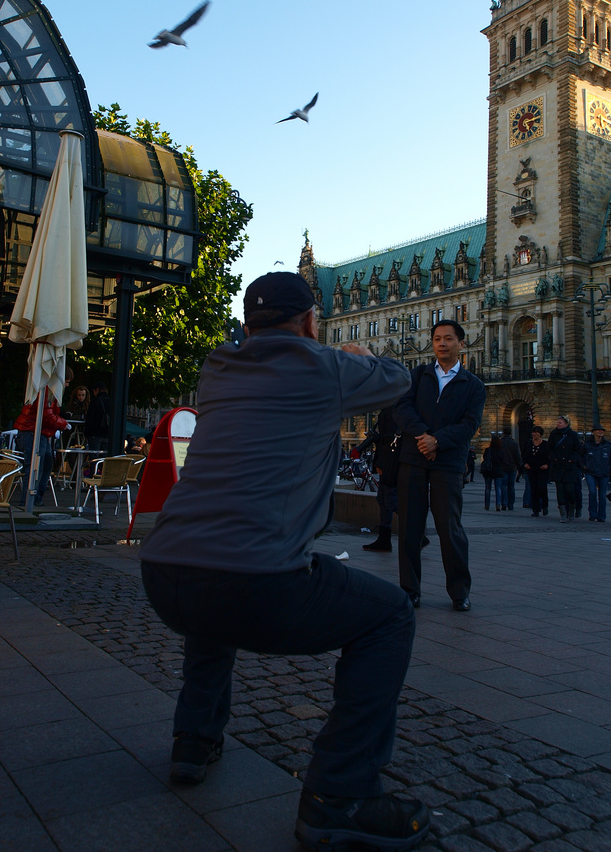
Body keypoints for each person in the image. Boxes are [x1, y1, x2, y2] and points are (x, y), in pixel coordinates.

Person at [140, 273, 430, 851]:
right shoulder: (325, 368)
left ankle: (194, 741)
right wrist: (355, 352)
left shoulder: (217, 368)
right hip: (257, 584)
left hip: (164, 572)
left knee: (212, 601)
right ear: (310, 323)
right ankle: (340, 795)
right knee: (390, 614)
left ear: (246, 326)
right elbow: (398, 380)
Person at [393, 319, 486, 612]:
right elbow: (401, 408)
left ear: (461, 343)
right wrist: (424, 437)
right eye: (436, 339)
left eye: (448, 338)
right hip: (414, 458)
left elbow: (470, 424)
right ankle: (409, 590)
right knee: (410, 528)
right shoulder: (418, 375)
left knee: (450, 529)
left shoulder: (473, 385)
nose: (442, 343)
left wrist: (438, 441)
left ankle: (459, 592)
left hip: (448, 462)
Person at [13, 392, 68, 507]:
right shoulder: (46, 393)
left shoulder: (49, 395)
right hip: (33, 432)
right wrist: (62, 422)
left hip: (36, 431)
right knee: (36, 466)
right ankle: (28, 500)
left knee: (44, 464)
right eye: (66, 382)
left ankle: (33, 498)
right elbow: (47, 415)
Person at [360, 406, 400, 553]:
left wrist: (382, 461)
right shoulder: (389, 409)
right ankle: (384, 539)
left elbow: (391, 439)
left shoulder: (393, 409)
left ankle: (418, 533)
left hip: (391, 461)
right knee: (383, 499)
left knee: (390, 499)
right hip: (388, 459)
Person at [547, 416, 582, 522]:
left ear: (566, 424)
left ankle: (572, 508)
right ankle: (563, 513)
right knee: (560, 491)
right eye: (557, 422)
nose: (558, 424)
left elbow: (578, 449)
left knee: (570, 490)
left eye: (560, 423)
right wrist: (554, 459)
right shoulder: (553, 434)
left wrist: (572, 459)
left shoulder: (573, 435)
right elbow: (550, 448)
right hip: (558, 466)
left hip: (569, 467)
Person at [582, 424, 611, 523]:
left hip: (603, 473)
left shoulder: (607, 445)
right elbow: (581, 455)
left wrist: (608, 469)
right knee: (592, 492)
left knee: (602, 495)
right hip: (590, 472)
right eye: (598, 430)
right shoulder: (587, 444)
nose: (600, 432)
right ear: (593, 432)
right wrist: (584, 466)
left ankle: (602, 516)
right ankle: (593, 514)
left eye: (602, 430)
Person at [521, 426, 550, 517]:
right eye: (533, 432)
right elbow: (524, 454)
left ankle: (544, 505)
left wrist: (547, 464)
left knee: (541, 488)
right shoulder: (529, 443)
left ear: (540, 434)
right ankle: (535, 509)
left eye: (537, 432)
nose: (535, 434)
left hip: (542, 469)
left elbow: (550, 457)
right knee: (533, 489)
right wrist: (525, 463)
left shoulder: (545, 444)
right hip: (531, 469)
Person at [500, 428, 522, 510]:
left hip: (502, 466)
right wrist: (519, 467)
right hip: (512, 467)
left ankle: (504, 503)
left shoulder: (500, 442)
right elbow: (517, 456)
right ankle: (511, 504)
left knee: (503, 485)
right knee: (511, 486)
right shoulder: (514, 443)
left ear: (503, 433)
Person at [85, 382, 110, 450]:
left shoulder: (95, 400)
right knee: (104, 458)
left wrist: (87, 432)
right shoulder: (111, 401)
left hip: (95, 433)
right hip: (107, 433)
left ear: (97, 390)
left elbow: (90, 417)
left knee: (94, 456)